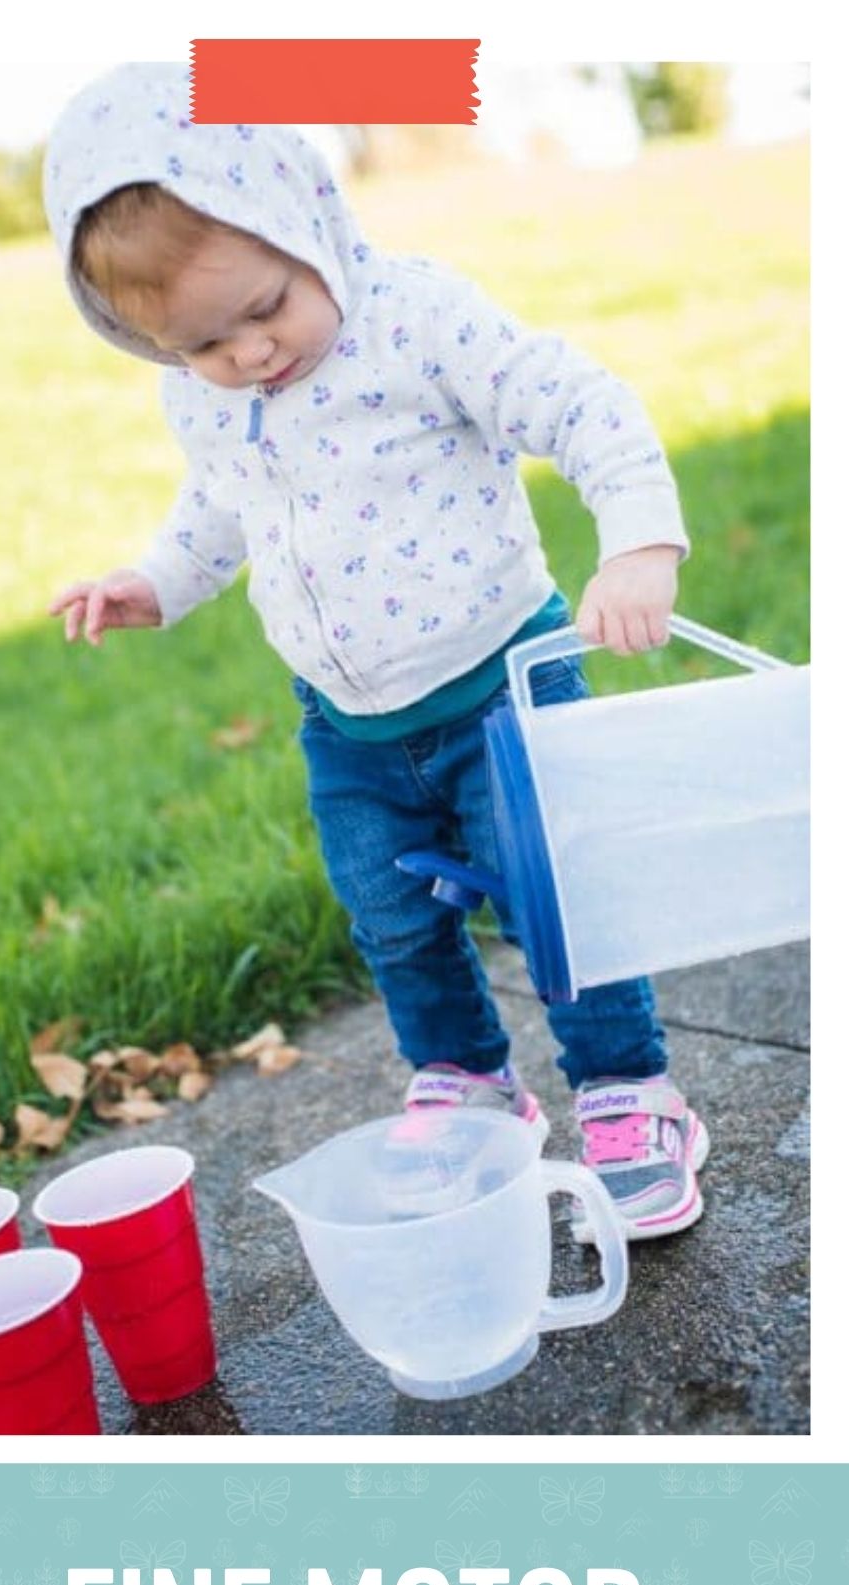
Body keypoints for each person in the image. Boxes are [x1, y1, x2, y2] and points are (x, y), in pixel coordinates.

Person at [44, 63, 708, 1238]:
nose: (249, 353)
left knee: (555, 896)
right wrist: (156, 581)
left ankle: (625, 1088)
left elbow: (577, 401)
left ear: (307, 224)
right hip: (344, 722)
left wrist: (638, 545)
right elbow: (219, 505)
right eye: (202, 342)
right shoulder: (206, 397)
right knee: (391, 920)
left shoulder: (413, 317)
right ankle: (467, 1086)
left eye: (265, 307)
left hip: (502, 680)